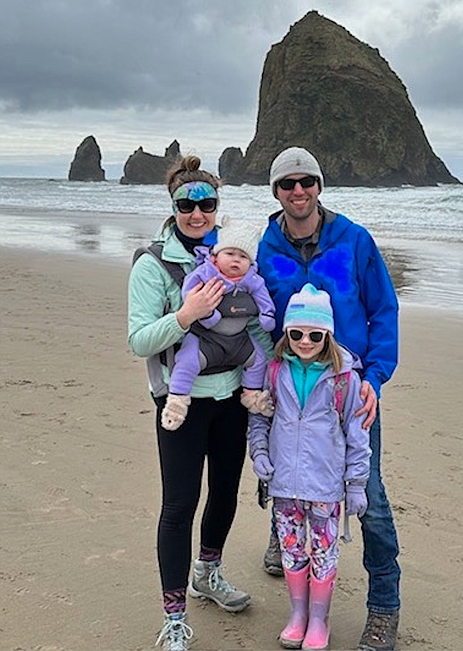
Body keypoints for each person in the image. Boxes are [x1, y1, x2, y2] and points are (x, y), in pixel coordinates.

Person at [256, 147, 400, 651]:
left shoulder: (355, 240)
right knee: (285, 476)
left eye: (307, 181)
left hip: (347, 389)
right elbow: (255, 314)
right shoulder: (265, 247)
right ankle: (283, 537)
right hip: (288, 389)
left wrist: (374, 377)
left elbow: (384, 309)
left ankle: (384, 606)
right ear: (275, 191)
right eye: (287, 183)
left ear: (320, 185)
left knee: (370, 500)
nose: (298, 191)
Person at [128, 155, 271, 651]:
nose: (196, 214)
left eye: (206, 204)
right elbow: (139, 341)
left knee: (225, 493)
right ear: (173, 206)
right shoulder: (152, 264)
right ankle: (174, 617)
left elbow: (254, 320)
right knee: (179, 505)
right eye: (186, 205)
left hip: (232, 397)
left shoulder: (233, 255)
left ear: (216, 207)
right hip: (181, 401)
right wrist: (186, 314)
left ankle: (207, 573)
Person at [248, 283, 372, 650]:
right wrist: (259, 453)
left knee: (323, 553)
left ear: (327, 335)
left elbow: (357, 433)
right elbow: (259, 419)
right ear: (286, 332)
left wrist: (356, 483)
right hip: (284, 483)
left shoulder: (345, 379)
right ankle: (298, 615)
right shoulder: (274, 372)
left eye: (315, 334)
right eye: (297, 333)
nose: (305, 341)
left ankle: (319, 619)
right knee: (291, 550)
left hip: (325, 487)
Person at [161, 218, 276, 430]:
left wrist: (267, 315)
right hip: (206, 339)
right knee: (186, 361)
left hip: (239, 341)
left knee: (258, 360)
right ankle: (177, 401)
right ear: (216, 255)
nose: (236, 260)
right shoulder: (206, 272)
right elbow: (189, 292)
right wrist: (208, 315)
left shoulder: (252, 279)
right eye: (230, 254)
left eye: (243, 257)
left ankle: (251, 395)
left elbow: (263, 298)